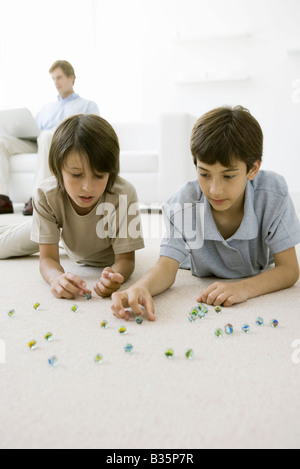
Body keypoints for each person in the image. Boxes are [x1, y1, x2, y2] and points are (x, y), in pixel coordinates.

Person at [111, 106, 300, 321]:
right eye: (204, 174)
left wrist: (243, 288)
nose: (214, 189)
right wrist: (141, 287)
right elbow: (165, 266)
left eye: (228, 176)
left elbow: (289, 270)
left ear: (253, 169)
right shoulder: (183, 203)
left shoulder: (272, 194)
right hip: (193, 262)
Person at [0, 114, 144, 299]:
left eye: (100, 175)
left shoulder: (123, 194)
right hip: (61, 235)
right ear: (57, 170)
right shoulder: (47, 194)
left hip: (69, 238)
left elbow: (126, 260)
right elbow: (48, 259)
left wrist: (116, 276)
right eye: (76, 174)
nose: (88, 188)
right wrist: (56, 278)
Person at [0, 60, 99, 216]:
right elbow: (35, 130)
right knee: (2, 142)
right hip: (40, 142)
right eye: (53, 78)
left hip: (64, 143)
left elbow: (92, 132)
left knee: (46, 136)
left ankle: (38, 198)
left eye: (59, 77)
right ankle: (3, 199)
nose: (55, 82)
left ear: (71, 77)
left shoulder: (87, 105)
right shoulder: (47, 108)